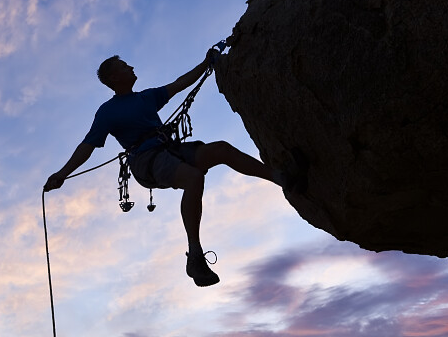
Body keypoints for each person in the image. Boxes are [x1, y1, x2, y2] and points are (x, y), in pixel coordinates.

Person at [44, 49, 303, 287]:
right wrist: (62, 174)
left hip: (168, 150)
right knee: (193, 178)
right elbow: (87, 146)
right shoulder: (107, 112)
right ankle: (195, 255)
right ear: (113, 77)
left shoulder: (146, 97)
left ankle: (281, 178)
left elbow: (180, 84)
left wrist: (206, 63)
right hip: (145, 161)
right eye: (124, 66)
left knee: (221, 150)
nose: (131, 67)